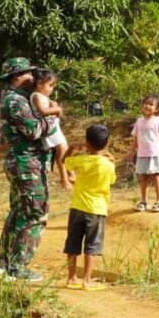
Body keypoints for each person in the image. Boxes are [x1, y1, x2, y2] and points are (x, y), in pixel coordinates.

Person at [0, 57, 50, 282]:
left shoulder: (12, 98)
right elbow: (34, 131)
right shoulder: (16, 101)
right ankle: (17, 267)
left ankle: (4, 263)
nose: (33, 78)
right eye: (29, 74)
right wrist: (53, 117)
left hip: (21, 162)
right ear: (17, 76)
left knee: (19, 211)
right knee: (34, 213)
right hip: (27, 163)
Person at [63, 124, 117, 291]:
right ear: (107, 144)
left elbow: (65, 162)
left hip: (77, 207)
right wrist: (112, 160)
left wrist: (71, 148)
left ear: (87, 143)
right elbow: (111, 181)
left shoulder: (82, 160)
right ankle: (87, 280)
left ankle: (72, 277)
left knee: (73, 242)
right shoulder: (108, 165)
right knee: (92, 245)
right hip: (97, 209)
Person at [126, 95, 159, 213]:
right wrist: (132, 151)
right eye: (146, 103)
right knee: (143, 178)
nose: (147, 106)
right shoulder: (139, 121)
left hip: (155, 153)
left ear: (156, 109)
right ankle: (144, 202)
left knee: (156, 177)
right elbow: (135, 138)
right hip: (142, 154)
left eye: (151, 104)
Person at [31, 69, 71, 191]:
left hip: (54, 127)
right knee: (62, 149)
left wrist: (54, 107)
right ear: (39, 83)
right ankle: (64, 178)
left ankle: (69, 174)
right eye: (50, 85)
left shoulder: (42, 96)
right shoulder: (36, 96)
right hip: (49, 130)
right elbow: (42, 111)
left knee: (64, 149)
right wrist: (57, 109)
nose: (51, 89)